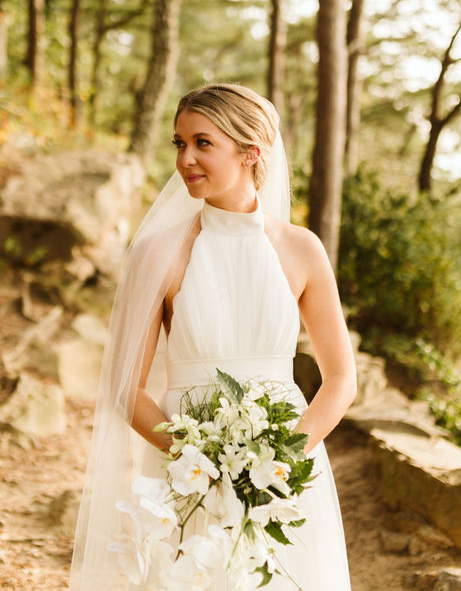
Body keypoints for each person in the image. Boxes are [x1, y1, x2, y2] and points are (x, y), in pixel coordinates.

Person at [70, 83, 356, 590]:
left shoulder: (302, 249)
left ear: (251, 153)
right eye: (179, 144)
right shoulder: (158, 253)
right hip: (186, 474)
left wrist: (283, 458)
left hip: (282, 472)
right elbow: (126, 387)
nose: (186, 160)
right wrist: (192, 456)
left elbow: (340, 380)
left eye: (203, 143)